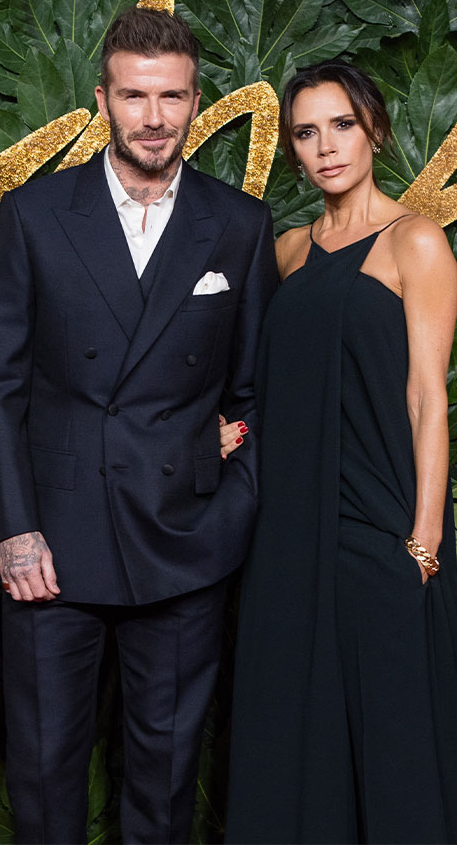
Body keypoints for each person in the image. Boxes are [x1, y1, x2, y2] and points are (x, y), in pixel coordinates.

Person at [0, 5, 277, 844]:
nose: (154, 117)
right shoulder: (34, 214)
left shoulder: (240, 225)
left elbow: (252, 392)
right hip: (54, 547)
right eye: (136, 96)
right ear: (103, 98)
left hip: (184, 541)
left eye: (172, 97)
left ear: (195, 101)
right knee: (43, 772)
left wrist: (228, 503)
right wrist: (15, 531)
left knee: (165, 777)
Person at [224, 59, 457, 844]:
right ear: (291, 148)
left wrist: (422, 546)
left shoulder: (416, 242)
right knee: (294, 738)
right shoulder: (286, 250)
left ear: (374, 129)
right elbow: (261, 386)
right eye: (306, 131)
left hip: (376, 531)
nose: (326, 146)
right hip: (286, 535)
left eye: (342, 125)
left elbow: (428, 398)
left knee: (390, 748)